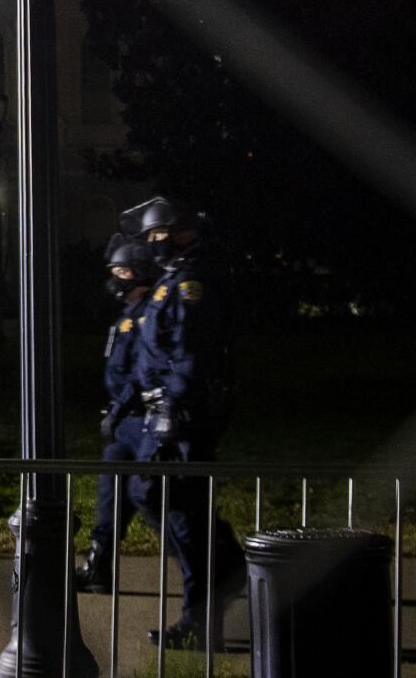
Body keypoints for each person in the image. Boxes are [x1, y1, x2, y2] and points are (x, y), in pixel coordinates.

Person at [130, 207, 247, 647]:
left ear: (182, 234)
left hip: (183, 415)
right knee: (161, 501)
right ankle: (228, 570)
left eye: (161, 232)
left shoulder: (191, 281)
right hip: (167, 410)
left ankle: (200, 618)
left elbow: (190, 349)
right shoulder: (172, 278)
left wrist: (173, 407)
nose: (154, 240)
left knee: (181, 511)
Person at [74, 237, 160, 593]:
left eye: (122, 271)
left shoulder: (147, 315)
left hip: (141, 420)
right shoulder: (127, 315)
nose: (116, 278)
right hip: (122, 422)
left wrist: (121, 407)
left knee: (150, 497)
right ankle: (98, 566)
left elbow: (142, 372)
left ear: (138, 274)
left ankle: (201, 566)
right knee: (110, 496)